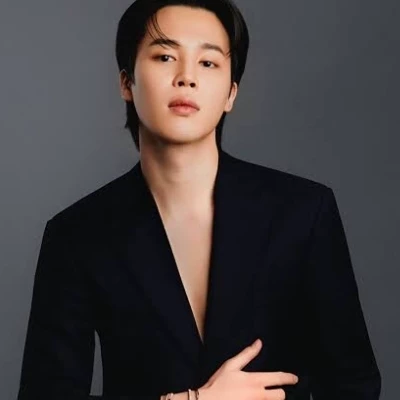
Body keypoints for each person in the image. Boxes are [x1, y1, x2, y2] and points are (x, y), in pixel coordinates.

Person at [17, 0, 381, 399]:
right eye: (165, 57)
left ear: (230, 93)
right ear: (126, 82)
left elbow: (354, 385)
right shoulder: (77, 235)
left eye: (208, 63)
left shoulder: (304, 212)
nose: (186, 78)